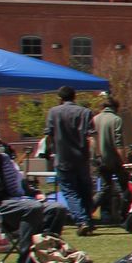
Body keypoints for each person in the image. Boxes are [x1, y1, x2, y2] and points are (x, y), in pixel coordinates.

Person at [0, 115, 70, 263]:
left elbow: (17, 180)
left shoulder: (1, 157)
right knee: (32, 208)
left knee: (56, 209)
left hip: (10, 203)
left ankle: (46, 256)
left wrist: (34, 192)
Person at [41, 86, 96, 235]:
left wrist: (48, 151)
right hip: (82, 158)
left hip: (63, 158)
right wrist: (93, 156)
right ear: (74, 97)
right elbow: (91, 137)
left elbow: (49, 135)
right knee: (85, 190)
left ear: (60, 98)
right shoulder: (85, 113)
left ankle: (82, 220)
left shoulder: (53, 112)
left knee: (70, 191)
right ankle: (87, 219)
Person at [90, 98, 129, 226]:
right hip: (114, 160)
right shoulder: (116, 119)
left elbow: (91, 140)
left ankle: (88, 210)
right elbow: (119, 143)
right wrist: (124, 161)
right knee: (125, 188)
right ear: (115, 107)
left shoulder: (95, 119)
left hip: (99, 159)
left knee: (105, 188)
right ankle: (125, 215)